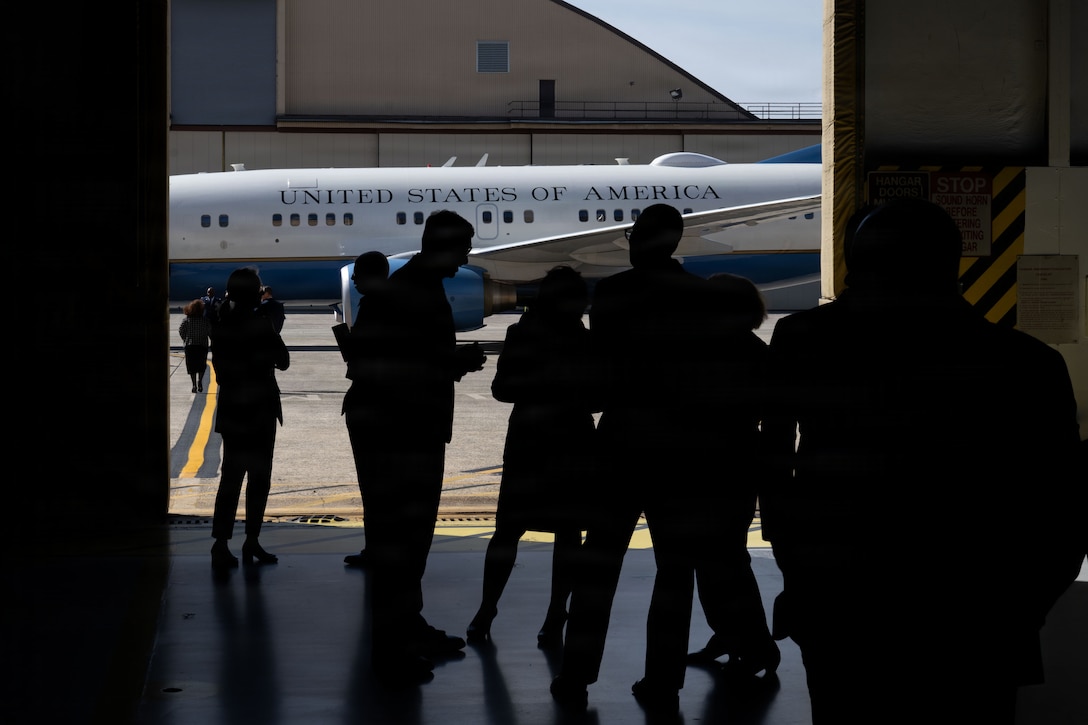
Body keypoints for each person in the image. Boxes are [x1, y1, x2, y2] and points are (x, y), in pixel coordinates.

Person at [760, 198, 1082, 725]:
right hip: (976, 615)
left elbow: (775, 465)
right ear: (952, 266)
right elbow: (1064, 506)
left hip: (842, 607)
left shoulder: (802, 341)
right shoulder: (1028, 362)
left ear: (856, 266)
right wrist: (1021, 612)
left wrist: (799, 572)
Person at [550, 203, 724, 715]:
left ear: (634, 240)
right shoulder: (702, 296)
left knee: (598, 564)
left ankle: (577, 673)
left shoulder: (613, 294)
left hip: (622, 442)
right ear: (674, 243)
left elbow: (599, 371)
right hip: (682, 449)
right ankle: (663, 679)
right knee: (675, 571)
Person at [350, 211, 487, 684]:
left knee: (412, 538)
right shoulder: (409, 292)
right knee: (401, 539)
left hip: (403, 426)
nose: (468, 257)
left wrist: (447, 361)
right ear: (444, 247)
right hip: (398, 431)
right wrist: (454, 362)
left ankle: (407, 627)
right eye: (464, 247)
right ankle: (391, 649)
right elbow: (388, 364)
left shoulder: (411, 288)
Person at [465, 265, 599, 647]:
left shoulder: (520, 334)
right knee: (569, 533)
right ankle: (557, 613)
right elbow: (599, 398)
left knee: (507, 529)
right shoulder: (585, 341)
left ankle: (486, 610)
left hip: (529, 439)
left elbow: (501, 389)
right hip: (573, 440)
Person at [684, 273, 779, 677]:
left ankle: (755, 644)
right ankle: (732, 634)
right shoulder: (753, 350)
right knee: (723, 555)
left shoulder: (711, 351)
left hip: (713, 462)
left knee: (719, 558)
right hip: (739, 458)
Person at [208, 267, 291, 570]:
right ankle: (252, 539)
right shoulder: (260, 323)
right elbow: (283, 362)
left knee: (230, 477)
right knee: (259, 479)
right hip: (259, 409)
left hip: (232, 407)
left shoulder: (218, 323)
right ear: (255, 293)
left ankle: (220, 543)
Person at [340, 250, 391, 569]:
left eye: (358, 273)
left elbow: (363, 354)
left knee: (373, 485)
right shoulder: (392, 304)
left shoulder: (374, 305)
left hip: (371, 404)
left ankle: (377, 548)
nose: (354, 279)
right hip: (382, 405)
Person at [178, 298, 211, 393]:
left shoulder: (187, 320)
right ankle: (200, 381)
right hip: (202, 346)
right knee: (201, 366)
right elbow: (210, 331)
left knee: (191, 367)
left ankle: (193, 384)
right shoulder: (205, 320)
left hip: (190, 346)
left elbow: (181, 330)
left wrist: (186, 339)